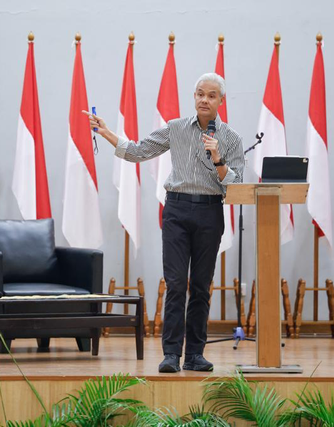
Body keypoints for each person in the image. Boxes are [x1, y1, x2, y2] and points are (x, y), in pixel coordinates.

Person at [83, 72, 244, 373]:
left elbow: (236, 187)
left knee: (200, 286)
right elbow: (138, 151)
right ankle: (171, 353)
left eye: (211, 95)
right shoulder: (176, 128)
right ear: (194, 97)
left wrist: (219, 159)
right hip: (177, 211)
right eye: (199, 93)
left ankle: (195, 353)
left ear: (221, 101)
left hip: (210, 212)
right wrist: (106, 133)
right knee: (175, 284)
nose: (204, 99)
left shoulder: (232, 139)